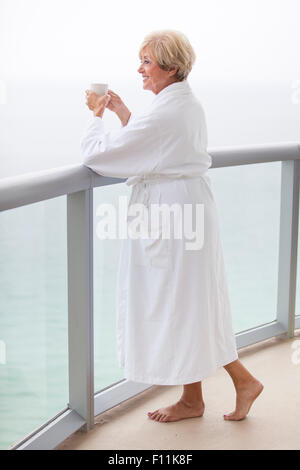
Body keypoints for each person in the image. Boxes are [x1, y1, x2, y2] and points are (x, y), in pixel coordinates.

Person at [81, 30, 263, 423]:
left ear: (172, 66)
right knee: (191, 303)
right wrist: (123, 113)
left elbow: (102, 156)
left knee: (182, 304)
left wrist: (96, 114)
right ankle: (199, 398)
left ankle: (230, 386)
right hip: (187, 208)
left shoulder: (168, 111)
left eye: (147, 61)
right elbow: (157, 146)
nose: (140, 69)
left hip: (172, 216)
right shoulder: (182, 104)